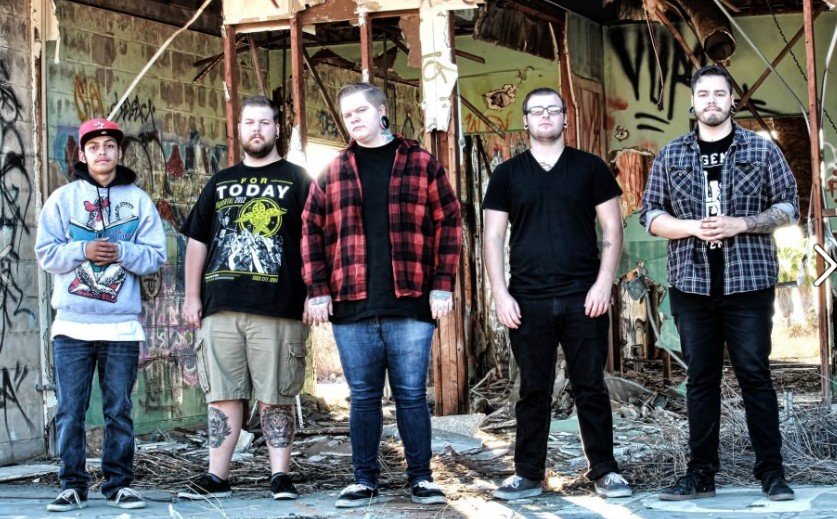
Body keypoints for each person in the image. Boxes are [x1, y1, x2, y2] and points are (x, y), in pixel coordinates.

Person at [641, 65, 798, 501]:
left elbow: (789, 206)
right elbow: (651, 215)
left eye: (720, 93)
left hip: (748, 283)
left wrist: (742, 223)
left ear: (732, 100)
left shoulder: (762, 150)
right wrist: (691, 227)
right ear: (693, 103)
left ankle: (771, 472)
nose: (711, 100)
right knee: (701, 380)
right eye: (703, 94)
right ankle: (700, 475)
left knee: (755, 375)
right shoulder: (671, 155)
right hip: (692, 285)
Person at [301, 82, 462, 508]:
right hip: (351, 304)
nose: (353, 119)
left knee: (411, 395)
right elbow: (310, 230)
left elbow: (449, 221)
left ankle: (421, 478)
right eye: (347, 114)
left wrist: (442, 283)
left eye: (360, 111)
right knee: (363, 397)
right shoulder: (333, 170)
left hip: (410, 301)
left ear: (381, 111)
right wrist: (317, 290)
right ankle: (364, 480)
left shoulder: (420, 162)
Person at [483, 87, 631, 500]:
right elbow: (492, 237)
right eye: (537, 110)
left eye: (553, 109)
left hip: (585, 296)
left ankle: (604, 470)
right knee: (533, 388)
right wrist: (500, 294)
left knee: (590, 385)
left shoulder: (590, 168)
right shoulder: (507, 174)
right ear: (525, 121)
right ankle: (528, 474)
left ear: (566, 118)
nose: (545, 116)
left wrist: (603, 283)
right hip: (527, 299)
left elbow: (613, 229)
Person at [177, 95, 311, 501]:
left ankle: (280, 476)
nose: (257, 129)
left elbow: (316, 241)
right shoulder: (220, 182)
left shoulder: (299, 179)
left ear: (276, 129)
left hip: (279, 306)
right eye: (249, 122)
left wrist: (316, 292)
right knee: (222, 394)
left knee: (276, 395)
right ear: (239, 129)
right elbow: (197, 241)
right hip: (220, 305)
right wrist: (191, 295)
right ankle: (217, 477)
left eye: (265, 122)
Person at [35, 118, 166, 511]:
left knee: (118, 410)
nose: (102, 152)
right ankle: (72, 485)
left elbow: (156, 256)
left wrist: (122, 252)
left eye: (109, 145)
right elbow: (46, 254)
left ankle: (118, 484)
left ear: (119, 152)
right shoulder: (62, 199)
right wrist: (83, 250)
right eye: (94, 147)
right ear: (82, 154)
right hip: (71, 326)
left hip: (121, 327)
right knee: (70, 411)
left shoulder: (138, 200)